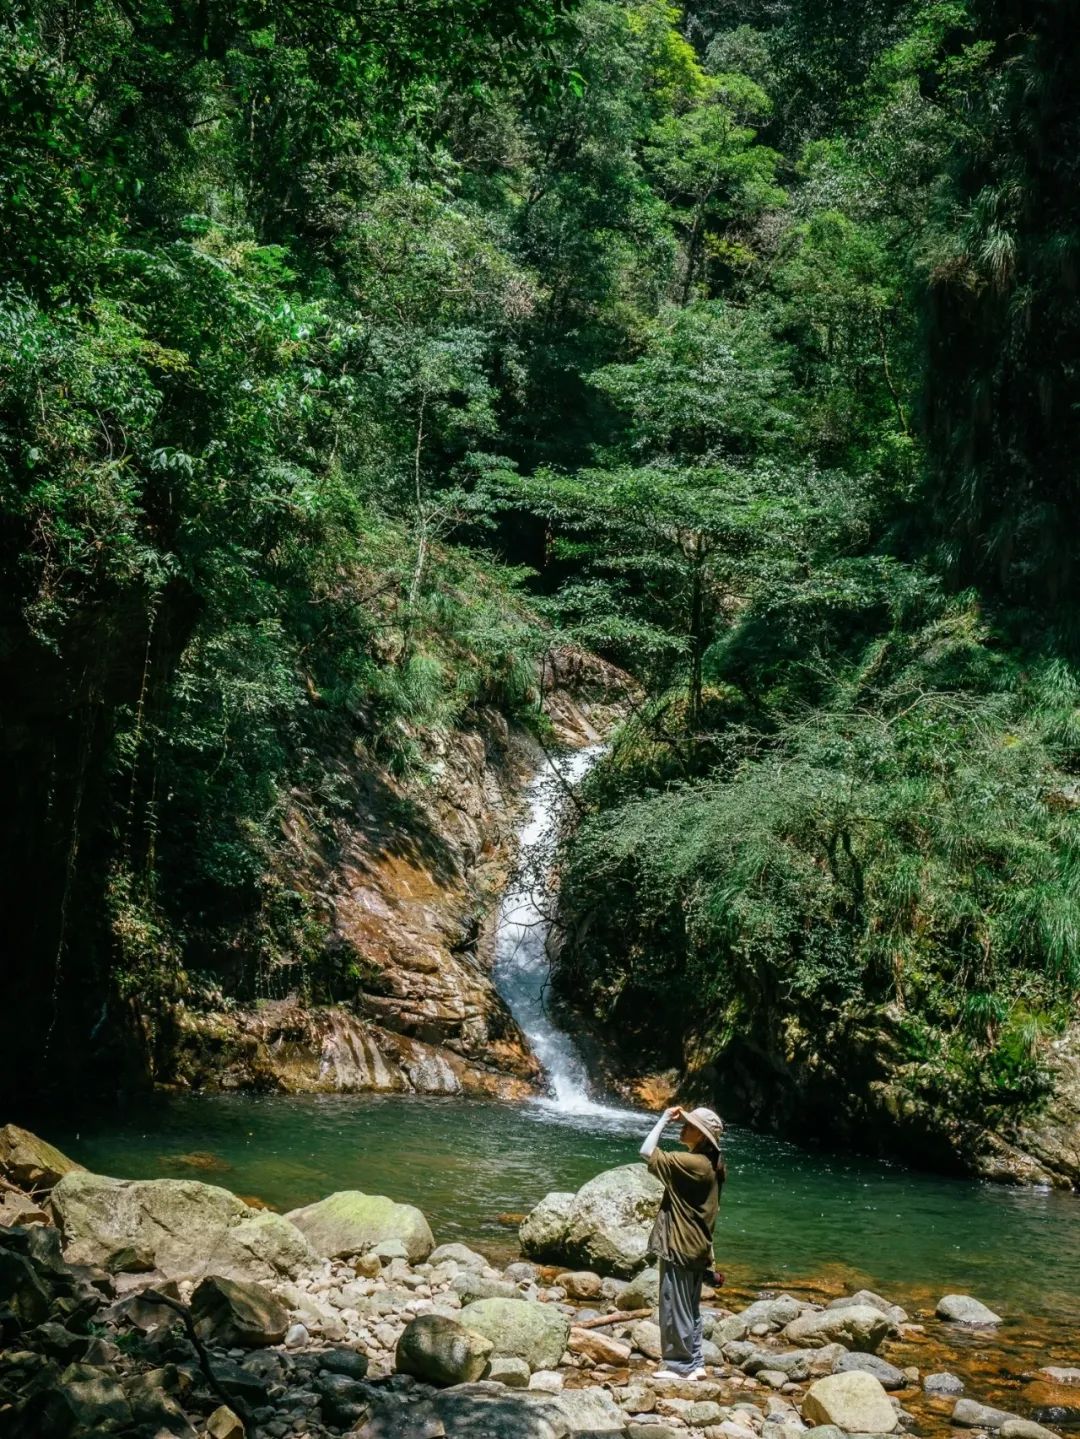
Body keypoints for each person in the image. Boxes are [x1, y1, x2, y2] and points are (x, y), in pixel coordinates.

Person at [639, 1103, 725, 1381]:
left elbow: (646, 1151)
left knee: (673, 1306)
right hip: (698, 1247)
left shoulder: (693, 1164)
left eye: (688, 1126)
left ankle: (680, 1365)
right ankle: (696, 1362)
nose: (683, 1128)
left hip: (679, 1245)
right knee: (690, 1309)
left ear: (700, 1135)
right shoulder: (713, 1163)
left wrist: (663, 1119)